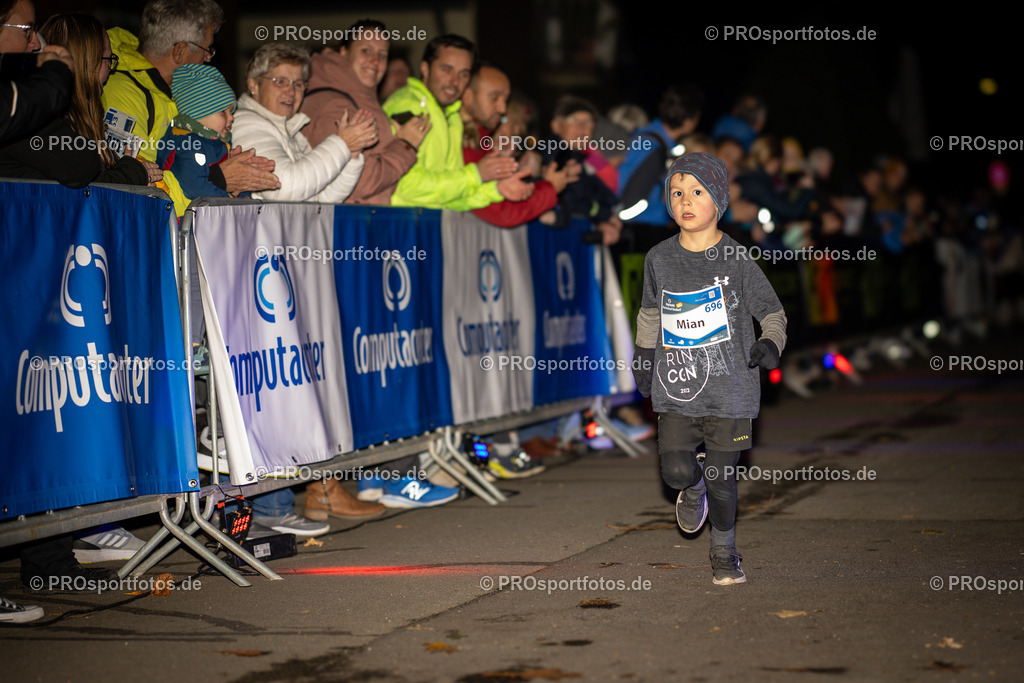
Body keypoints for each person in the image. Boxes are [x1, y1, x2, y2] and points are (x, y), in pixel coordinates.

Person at [631, 152, 787, 585]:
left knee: (723, 479)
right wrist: (644, 356)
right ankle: (691, 486)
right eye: (677, 193)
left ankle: (724, 552)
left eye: (697, 192)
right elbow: (649, 313)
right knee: (677, 472)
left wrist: (771, 344)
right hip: (678, 387)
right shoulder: (658, 259)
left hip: (731, 389)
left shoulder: (736, 259)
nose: (685, 201)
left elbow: (772, 312)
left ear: (717, 199)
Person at [103, 0, 279, 214]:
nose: (209, 58)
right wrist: (215, 178)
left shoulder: (186, 91)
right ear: (179, 51)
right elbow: (128, 185)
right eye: (207, 49)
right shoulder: (123, 93)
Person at [0, 13, 161, 187]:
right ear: (87, 64)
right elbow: (83, 183)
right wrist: (131, 176)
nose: (110, 69)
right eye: (108, 60)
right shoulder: (39, 119)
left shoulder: (81, 118)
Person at [383, 33, 533, 210]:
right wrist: (476, 175)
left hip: (424, 227)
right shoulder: (407, 107)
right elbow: (404, 187)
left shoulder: (452, 116)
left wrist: (497, 190)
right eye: (447, 70)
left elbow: (451, 197)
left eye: (463, 74)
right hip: (397, 227)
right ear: (425, 68)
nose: (455, 82)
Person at [300, 19, 428, 205]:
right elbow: (362, 181)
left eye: (382, 55)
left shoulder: (358, 97)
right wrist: (406, 145)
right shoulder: (335, 104)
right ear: (343, 52)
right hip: (346, 225)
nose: (375, 61)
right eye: (366, 51)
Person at [231, 42, 375, 203]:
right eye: (280, 82)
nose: (291, 92)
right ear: (254, 85)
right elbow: (283, 188)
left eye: (298, 84)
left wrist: (352, 155)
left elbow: (322, 198)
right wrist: (342, 144)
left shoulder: (293, 133)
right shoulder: (245, 123)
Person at [462, 64, 579, 228]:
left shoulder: (523, 161)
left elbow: (564, 213)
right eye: (494, 99)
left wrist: (538, 182)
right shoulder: (467, 144)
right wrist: (549, 187)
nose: (501, 109)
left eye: (517, 127)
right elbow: (504, 212)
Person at [155, 63, 243, 200]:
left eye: (231, 111)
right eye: (222, 112)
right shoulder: (187, 145)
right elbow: (195, 187)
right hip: (183, 219)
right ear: (198, 114)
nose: (231, 117)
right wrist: (230, 199)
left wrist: (246, 197)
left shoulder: (217, 142)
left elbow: (238, 182)